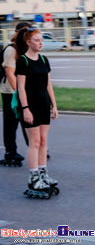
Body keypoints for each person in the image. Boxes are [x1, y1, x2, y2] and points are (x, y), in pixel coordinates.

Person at [15, 27, 59, 197]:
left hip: (43, 105)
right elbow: (21, 87)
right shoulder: (23, 61)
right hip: (30, 106)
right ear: (28, 42)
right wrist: (25, 109)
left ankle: (43, 174)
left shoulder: (43, 59)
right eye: (37, 40)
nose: (41, 43)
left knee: (43, 141)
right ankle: (33, 177)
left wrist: (54, 105)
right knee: (34, 142)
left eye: (42, 40)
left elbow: (48, 84)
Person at [0, 22, 32, 167]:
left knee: (29, 120)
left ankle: (34, 147)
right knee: (11, 122)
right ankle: (10, 152)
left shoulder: (27, 48)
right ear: (18, 32)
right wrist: (18, 94)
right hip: (10, 91)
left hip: (25, 90)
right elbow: (10, 74)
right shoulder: (11, 50)